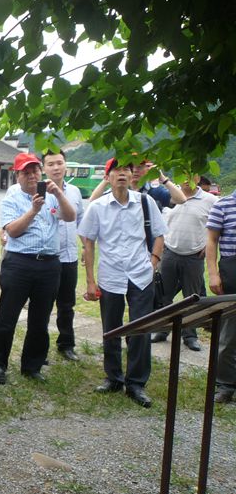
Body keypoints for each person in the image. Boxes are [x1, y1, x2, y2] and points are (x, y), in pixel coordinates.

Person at [78, 158, 166, 408]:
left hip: (141, 274)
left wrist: (153, 262)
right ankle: (113, 377)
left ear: (132, 175)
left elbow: (159, 235)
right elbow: (88, 243)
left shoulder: (146, 203)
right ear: (107, 177)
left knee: (141, 328)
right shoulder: (98, 207)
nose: (122, 174)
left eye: (127, 170)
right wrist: (90, 282)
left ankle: (136, 383)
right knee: (111, 329)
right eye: (116, 170)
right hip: (111, 275)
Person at [0, 153, 76, 385]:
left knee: (40, 318)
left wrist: (58, 194)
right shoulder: (12, 197)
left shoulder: (52, 192)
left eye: (35, 170)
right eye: (26, 172)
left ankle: (32, 365)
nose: (32, 175)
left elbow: (70, 216)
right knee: (7, 316)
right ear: (18, 175)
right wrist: (33, 210)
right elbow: (12, 231)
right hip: (19, 263)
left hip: (49, 264)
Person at [151, 175, 217, 349]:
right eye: (183, 175)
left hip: (194, 256)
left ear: (198, 177)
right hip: (170, 253)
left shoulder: (210, 200)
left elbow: (218, 226)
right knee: (164, 295)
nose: (187, 179)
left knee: (192, 297)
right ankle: (162, 329)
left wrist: (207, 246)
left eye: (191, 175)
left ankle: (190, 335)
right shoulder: (169, 197)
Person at [42, 150, 84, 361]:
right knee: (43, 305)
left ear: (66, 165)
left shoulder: (75, 191)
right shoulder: (39, 192)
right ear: (44, 168)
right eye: (51, 164)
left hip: (69, 257)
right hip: (47, 258)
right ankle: (40, 348)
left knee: (67, 305)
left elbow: (81, 223)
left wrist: (86, 247)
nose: (56, 167)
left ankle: (66, 343)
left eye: (59, 163)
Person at [206, 187, 236, 403]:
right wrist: (214, 273)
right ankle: (225, 385)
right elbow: (212, 240)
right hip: (231, 269)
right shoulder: (223, 205)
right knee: (228, 333)